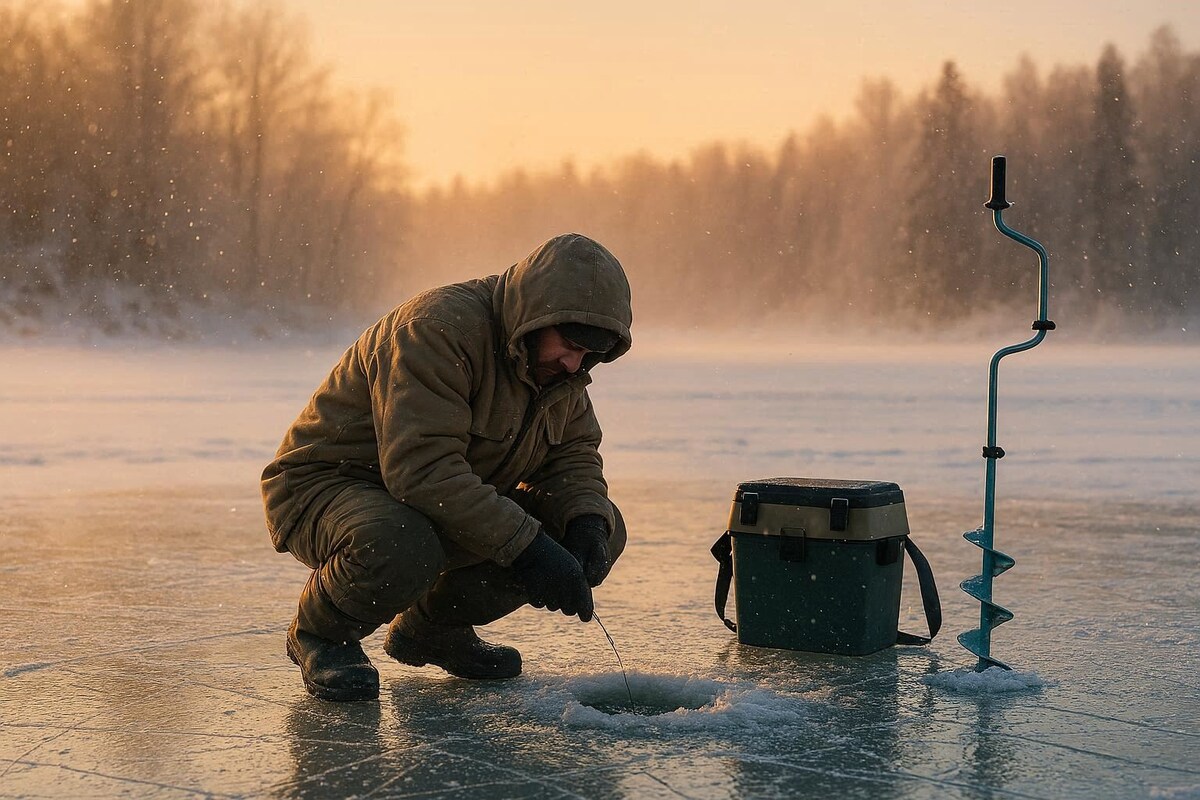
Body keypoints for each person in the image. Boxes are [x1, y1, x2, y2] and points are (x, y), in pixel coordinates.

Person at [260, 233, 633, 701]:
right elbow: (421, 470)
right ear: (539, 316)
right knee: (402, 541)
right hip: (326, 487)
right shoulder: (437, 329)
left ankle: (432, 629)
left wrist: (585, 524)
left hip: (430, 503)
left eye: (593, 351)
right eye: (571, 343)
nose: (576, 361)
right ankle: (320, 632)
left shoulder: (560, 370)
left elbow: (573, 455)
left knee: (593, 525)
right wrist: (529, 547)